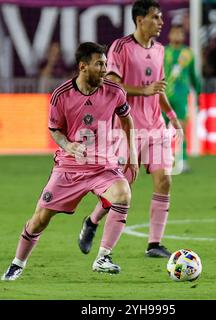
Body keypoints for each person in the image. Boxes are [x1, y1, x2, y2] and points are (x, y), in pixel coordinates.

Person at [1, 42, 138, 280]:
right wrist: (67, 145)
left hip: (103, 166)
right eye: (99, 64)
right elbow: (54, 129)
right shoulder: (61, 95)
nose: (105, 69)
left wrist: (133, 155)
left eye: (106, 64)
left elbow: (127, 121)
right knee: (39, 220)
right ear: (83, 66)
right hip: (69, 167)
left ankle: (103, 257)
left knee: (123, 194)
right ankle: (17, 263)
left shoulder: (115, 92)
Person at [78, 0, 183, 259]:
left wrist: (173, 117)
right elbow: (111, 84)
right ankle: (92, 221)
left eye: (160, 18)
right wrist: (143, 90)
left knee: (164, 180)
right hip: (128, 128)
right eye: (156, 17)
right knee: (123, 187)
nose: (161, 22)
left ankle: (154, 244)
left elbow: (157, 90)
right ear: (139, 20)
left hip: (156, 127)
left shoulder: (159, 50)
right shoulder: (120, 47)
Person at [164, 24, 202, 172]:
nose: (177, 36)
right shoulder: (162, 52)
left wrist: (198, 93)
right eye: (175, 33)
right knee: (160, 130)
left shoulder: (188, 54)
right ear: (169, 35)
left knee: (181, 128)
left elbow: (194, 76)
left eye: (180, 33)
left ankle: (183, 161)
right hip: (163, 95)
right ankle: (161, 161)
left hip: (180, 95)